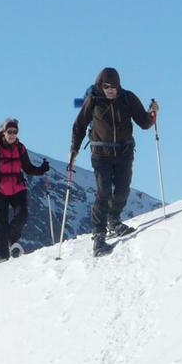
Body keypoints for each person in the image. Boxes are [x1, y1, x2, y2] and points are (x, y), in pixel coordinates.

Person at [71, 67, 159, 255]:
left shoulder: (128, 98)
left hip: (124, 152)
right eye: (107, 86)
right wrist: (74, 149)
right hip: (101, 154)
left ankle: (114, 221)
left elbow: (144, 122)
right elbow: (79, 125)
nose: (111, 90)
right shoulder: (93, 100)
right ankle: (99, 235)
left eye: (114, 86)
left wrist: (152, 114)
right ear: (100, 85)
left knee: (123, 190)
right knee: (103, 192)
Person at [0, 118, 50, 262]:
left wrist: (41, 170)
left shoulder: (20, 148)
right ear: (4, 132)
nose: (12, 135)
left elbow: (27, 167)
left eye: (15, 132)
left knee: (22, 215)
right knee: (1, 225)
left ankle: (12, 240)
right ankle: (2, 258)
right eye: (10, 132)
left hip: (18, 189)